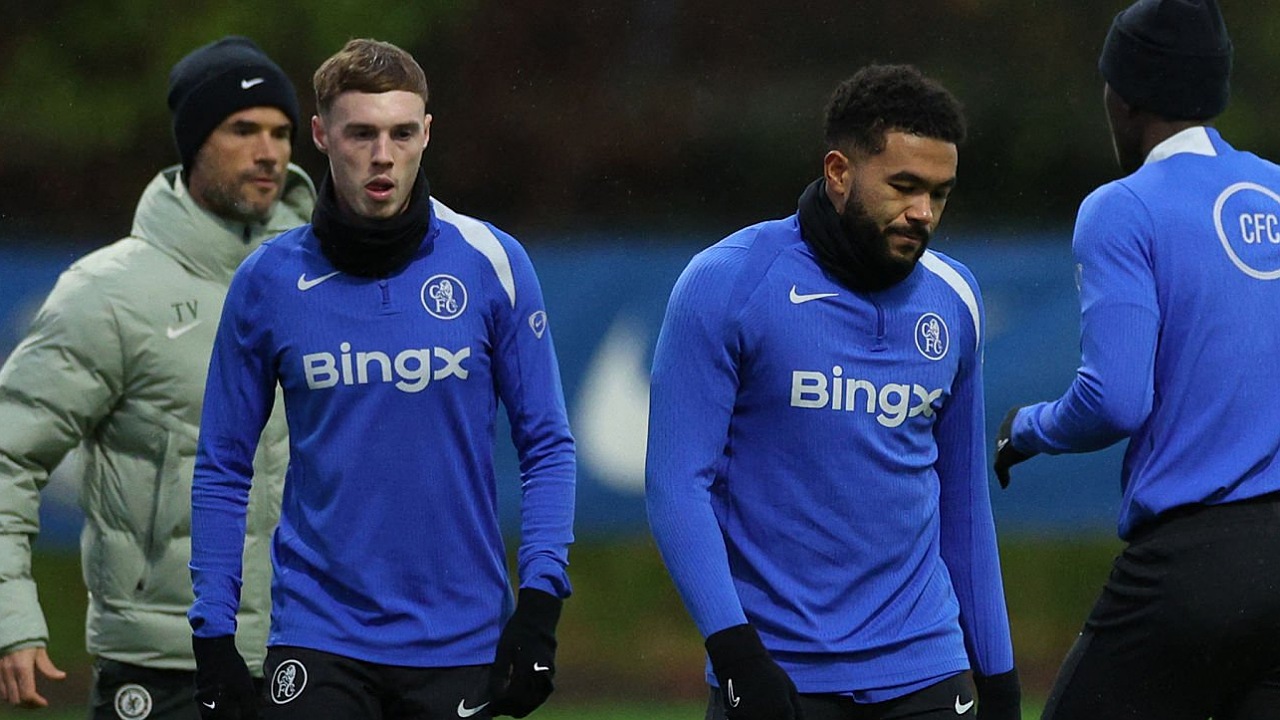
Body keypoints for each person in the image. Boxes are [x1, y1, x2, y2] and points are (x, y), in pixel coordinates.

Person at [187, 38, 576, 720]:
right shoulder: (268, 282)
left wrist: (540, 602)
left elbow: (546, 444)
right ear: (321, 135)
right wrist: (213, 633)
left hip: (462, 637)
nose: (383, 155)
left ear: (427, 133)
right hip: (318, 635)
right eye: (361, 133)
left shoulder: (492, 262)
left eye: (401, 133)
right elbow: (223, 463)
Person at [646, 64, 1020, 720]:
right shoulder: (727, 284)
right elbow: (676, 487)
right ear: (840, 172)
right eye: (904, 186)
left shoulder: (955, 297)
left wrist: (1000, 677)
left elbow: (964, 503)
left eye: (940, 194)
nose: (923, 213)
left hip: (928, 670)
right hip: (778, 676)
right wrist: (736, 654)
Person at [0, 36, 311, 718]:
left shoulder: (327, 283)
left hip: (313, 659)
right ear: (194, 142)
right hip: (165, 670)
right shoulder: (108, 294)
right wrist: (10, 617)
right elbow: (7, 456)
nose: (269, 152)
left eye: (282, 132)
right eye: (244, 129)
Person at [994, 1, 1280, 718]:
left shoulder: (1122, 208)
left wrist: (1026, 428)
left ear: (1123, 97)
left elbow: (1116, 398)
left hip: (1193, 566)